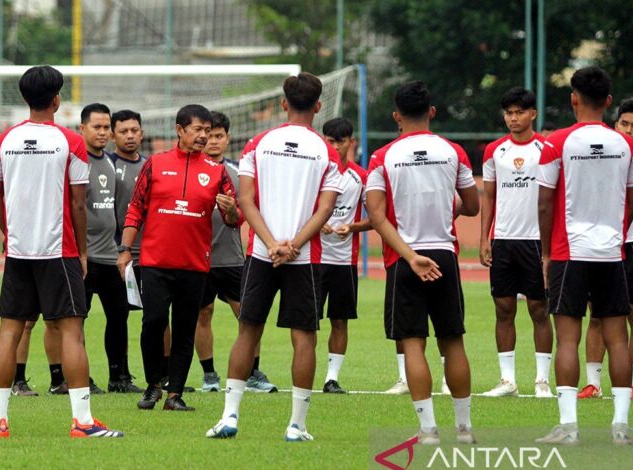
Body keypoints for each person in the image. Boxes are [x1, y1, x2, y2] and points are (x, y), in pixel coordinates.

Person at [204, 73, 443, 442]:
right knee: (304, 339)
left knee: (248, 332)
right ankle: (297, 426)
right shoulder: (326, 151)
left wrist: (271, 243)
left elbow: (245, 201)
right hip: (304, 257)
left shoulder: (257, 143)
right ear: (318, 106)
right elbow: (326, 208)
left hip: (261, 254)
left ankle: (230, 417)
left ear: (284, 103)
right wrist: (294, 244)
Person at [0, 65, 122, 438]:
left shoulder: (2, 141)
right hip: (59, 251)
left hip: (18, 251)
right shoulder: (69, 142)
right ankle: (83, 422)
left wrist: (11, 232)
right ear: (56, 99)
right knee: (71, 333)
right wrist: (82, 252)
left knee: (9, 332)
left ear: (25, 98)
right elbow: (79, 203)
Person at [365, 81, 480, 446]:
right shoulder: (453, 152)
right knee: (453, 342)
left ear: (396, 116)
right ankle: (464, 430)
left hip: (404, 258)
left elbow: (377, 216)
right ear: (431, 112)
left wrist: (411, 256)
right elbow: (473, 206)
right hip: (444, 254)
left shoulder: (382, 157)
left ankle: (428, 430)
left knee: (413, 344)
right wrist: (451, 207)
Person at [536, 66, 633, 446]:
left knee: (567, 339)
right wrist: (616, 235)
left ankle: (569, 427)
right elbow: (631, 201)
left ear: (573, 98)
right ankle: (621, 427)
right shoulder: (627, 145)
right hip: (612, 253)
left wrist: (546, 253)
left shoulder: (556, 142)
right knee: (618, 339)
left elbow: (545, 203)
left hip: (568, 253)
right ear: (609, 102)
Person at [118, 104, 239, 412]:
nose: (204, 136)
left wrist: (230, 210)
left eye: (207, 131)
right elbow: (136, 208)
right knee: (153, 323)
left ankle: (175, 395)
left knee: (185, 328)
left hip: (195, 266)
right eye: (197, 130)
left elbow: (234, 220)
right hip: (155, 263)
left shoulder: (217, 171)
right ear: (180, 130)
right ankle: (153, 385)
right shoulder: (156, 164)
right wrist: (124, 251)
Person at [194, 111, 277, 393]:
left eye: (219, 136)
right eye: (209, 136)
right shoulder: (191, 172)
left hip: (231, 257)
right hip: (198, 259)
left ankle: (253, 373)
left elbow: (247, 212)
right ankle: (209, 376)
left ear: (227, 138)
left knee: (248, 315)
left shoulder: (238, 174)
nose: (213, 141)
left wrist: (233, 211)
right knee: (202, 314)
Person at [479, 87, 554, 398]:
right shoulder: (494, 151)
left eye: (519, 112)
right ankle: (507, 381)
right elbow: (490, 196)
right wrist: (485, 237)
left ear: (532, 114)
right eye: (508, 113)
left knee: (539, 309)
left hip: (535, 241)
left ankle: (542, 381)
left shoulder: (546, 149)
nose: (513, 118)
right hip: (504, 241)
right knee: (503, 309)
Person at [578, 98, 633, 401]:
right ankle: (593, 383)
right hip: (602, 243)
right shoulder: (602, 154)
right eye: (624, 124)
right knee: (597, 315)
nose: (629, 130)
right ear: (616, 125)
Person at [80, 103, 143, 393]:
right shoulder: (76, 161)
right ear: (82, 128)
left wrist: (122, 249)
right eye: (98, 127)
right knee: (75, 321)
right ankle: (76, 378)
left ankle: (119, 377)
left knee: (118, 317)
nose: (103, 132)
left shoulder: (109, 164)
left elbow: (117, 214)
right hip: (82, 256)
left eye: (106, 127)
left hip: (110, 256)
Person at [318, 117, 370, 394]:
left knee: (340, 320)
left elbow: (376, 218)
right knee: (306, 322)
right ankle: (302, 374)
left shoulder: (360, 177)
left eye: (341, 141)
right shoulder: (313, 173)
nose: (336, 146)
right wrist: (317, 223)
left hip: (343, 262)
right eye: (330, 141)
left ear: (351, 142)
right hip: (313, 259)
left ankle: (331, 378)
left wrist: (352, 226)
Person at [105, 109, 147, 394]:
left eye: (134, 130)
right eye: (124, 131)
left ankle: (157, 375)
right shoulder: (107, 165)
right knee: (117, 315)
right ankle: (117, 376)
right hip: (115, 254)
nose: (130, 135)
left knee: (150, 315)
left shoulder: (150, 166)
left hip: (149, 254)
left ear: (141, 132)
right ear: (112, 135)